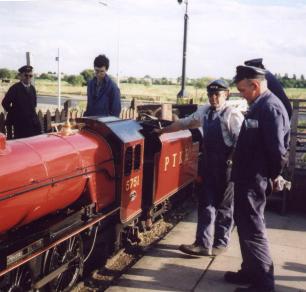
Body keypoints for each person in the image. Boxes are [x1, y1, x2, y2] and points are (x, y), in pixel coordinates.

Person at [156, 79, 244, 256]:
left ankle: (220, 243)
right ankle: (202, 244)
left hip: (227, 167)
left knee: (225, 207)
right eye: (210, 94)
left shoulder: (232, 114)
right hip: (209, 165)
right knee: (205, 203)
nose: (213, 98)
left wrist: (231, 161)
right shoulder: (204, 112)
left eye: (217, 95)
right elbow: (184, 123)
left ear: (226, 94)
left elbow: (241, 142)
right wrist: (163, 131)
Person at [224, 65, 290, 292]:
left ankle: (263, 284)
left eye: (243, 90)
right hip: (246, 177)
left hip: (255, 179)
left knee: (253, 229)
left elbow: (278, 152)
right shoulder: (259, 105)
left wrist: (271, 176)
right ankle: (250, 271)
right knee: (244, 225)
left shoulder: (270, 108)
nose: (241, 94)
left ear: (255, 85)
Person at [1, 65, 41, 139]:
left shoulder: (32, 88)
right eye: (26, 75)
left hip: (33, 122)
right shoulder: (15, 88)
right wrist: (15, 113)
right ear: (20, 76)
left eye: (30, 75)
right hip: (21, 123)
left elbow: (34, 104)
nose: (28, 77)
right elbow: (5, 103)